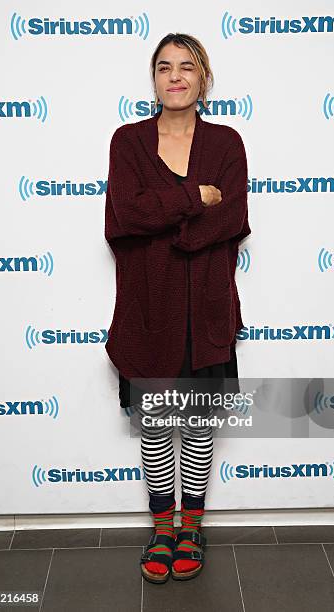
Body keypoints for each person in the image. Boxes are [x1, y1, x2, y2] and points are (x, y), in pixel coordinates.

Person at [104, 32, 251, 583]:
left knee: (195, 423)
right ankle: (162, 524)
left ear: (203, 77)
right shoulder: (128, 141)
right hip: (148, 305)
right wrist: (193, 201)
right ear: (154, 77)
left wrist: (170, 225)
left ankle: (192, 524)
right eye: (164, 67)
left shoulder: (226, 143)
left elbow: (232, 217)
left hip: (207, 303)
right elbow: (125, 215)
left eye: (187, 67)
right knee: (158, 420)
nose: (175, 76)